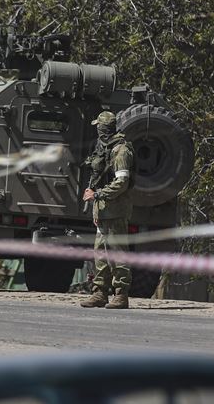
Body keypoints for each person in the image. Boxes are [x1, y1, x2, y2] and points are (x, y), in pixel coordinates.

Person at [80, 111, 134, 309]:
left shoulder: (121, 151)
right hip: (103, 210)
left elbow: (122, 183)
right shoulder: (104, 149)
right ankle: (100, 293)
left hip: (116, 210)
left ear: (102, 129)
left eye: (98, 127)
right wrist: (96, 205)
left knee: (118, 253)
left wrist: (98, 194)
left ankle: (121, 295)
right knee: (100, 254)